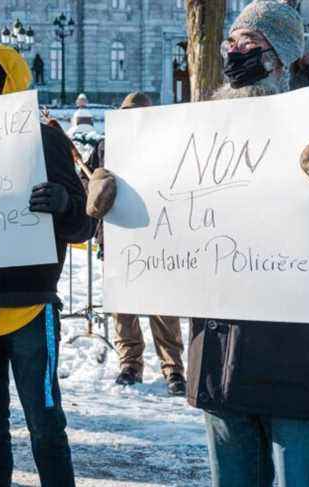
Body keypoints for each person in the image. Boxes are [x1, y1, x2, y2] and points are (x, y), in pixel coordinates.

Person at [87, 1, 309, 485]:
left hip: (305, 358)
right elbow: (167, 213)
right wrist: (113, 198)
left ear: (284, 58)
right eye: (231, 42)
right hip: (222, 356)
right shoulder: (198, 128)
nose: (234, 53)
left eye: (250, 44)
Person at [0, 43, 91, 486]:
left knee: (45, 428)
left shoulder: (44, 138)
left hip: (29, 307)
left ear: (8, 83)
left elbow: (83, 225)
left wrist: (66, 202)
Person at [85, 92, 187, 396]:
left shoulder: (167, 147)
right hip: (117, 237)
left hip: (158, 238)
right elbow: (85, 186)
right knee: (123, 307)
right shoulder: (105, 147)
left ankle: (173, 368)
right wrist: (95, 187)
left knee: (162, 306)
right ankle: (129, 363)